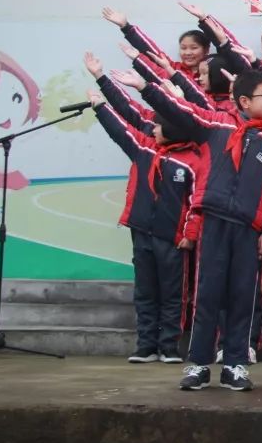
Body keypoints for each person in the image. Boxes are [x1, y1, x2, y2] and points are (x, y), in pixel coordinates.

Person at [111, 67, 262, 392]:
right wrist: (145, 87)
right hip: (214, 221)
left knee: (242, 296)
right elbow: (179, 110)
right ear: (244, 100)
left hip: (249, 229)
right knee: (207, 294)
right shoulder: (218, 125)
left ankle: (235, 363)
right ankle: (198, 363)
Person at [85, 53, 199, 365]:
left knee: (173, 294)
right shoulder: (144, 149)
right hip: (142, 231)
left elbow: (196, 204)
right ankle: (146, 345)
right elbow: (120, 127)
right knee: (146, 291)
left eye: (159, 127)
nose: (153, 131)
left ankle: (169, 346)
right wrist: (100, 102)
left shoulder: (192, 162)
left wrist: (189, 234)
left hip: (172, 237)